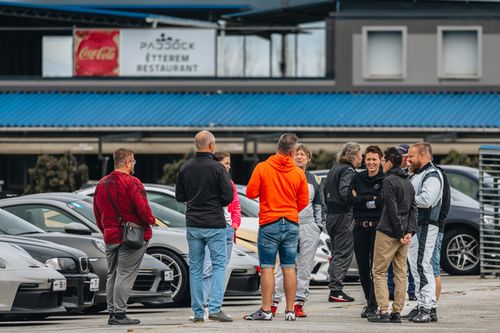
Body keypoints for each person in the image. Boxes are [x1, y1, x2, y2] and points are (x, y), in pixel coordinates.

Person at [244, 133, 309, 321]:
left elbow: (250, 192)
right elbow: (303, 201)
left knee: (267, 268)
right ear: (292, 152)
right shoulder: (298, 172)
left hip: (269, 222)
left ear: (277, 147)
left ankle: (266, 310)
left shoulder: (263, 168)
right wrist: (289, 210)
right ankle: (290, 311)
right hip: (290, 223)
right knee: (289, 267)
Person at [175, 130, 234, 323]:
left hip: (193, 224)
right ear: (211, 145)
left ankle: (198, 312)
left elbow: (180, 196)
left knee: (196, 268)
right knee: (218, 266)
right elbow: (228, 197)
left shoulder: (185, 168)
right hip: (215, 224)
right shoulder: (218, 168)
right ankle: (215, 308)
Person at [94, 148, 155, 326]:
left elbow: (97, 213)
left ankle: (112, 312)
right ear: (128, 162)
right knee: (125, 274)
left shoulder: (101, 184)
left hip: (110, 236)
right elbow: (143, 209)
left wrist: (105, 230)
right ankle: (120, 313)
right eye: (133, 161)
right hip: (131, 237)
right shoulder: (132, 182)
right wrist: (151, 221)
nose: (134, 164)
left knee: (112, 273)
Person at [272, 144, 324, 318]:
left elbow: (319, 204)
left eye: (303, 154)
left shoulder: (314, 180)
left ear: (308, 158)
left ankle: (298, 303)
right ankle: (274, 302)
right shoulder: (282, 176)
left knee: (304, 267)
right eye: (296, 154)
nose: (299, 157)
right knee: (284, 266)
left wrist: (318, 226)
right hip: (287, 223)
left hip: (309, 226)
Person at [368, 147, 417, 323]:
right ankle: (397, 311)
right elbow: (414, 209)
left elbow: (391, 208)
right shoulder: (408, 182)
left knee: (379, 271)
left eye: (383, 161)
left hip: (389, 232)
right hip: (404, 235)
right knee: (400, 273)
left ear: (389, 161)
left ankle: (383, 310)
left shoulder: (389, 181)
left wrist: (398, 232)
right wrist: (409, 231)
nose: (381, 164)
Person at [404, 142, 444, 323]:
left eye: (411, 156)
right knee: (415, 265)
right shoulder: (417, 174)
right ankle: (423, 305)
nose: (408, 159)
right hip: (416, 226)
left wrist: (405, 200)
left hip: (427, 225)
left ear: (423, 156)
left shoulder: (432, 174)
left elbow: (427, 200)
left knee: (422, 264)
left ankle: (428, 308)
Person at [198, 152, 241, 319]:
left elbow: (236, 205)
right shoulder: (210, 182)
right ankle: (203, 306)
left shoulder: (230, 183)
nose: (229, 167)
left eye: (230, 164)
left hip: (228, 229)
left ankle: (216, 305)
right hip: (214, 228)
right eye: (226, 163)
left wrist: (234, 225)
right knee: (207, 268)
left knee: (221, 270)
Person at [347, 145, 385, 318]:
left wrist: (361, 199)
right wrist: (372, 199)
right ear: (364, 159)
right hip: (360, 227)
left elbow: (383, 202)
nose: (371, 162)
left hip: (378, 228)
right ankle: (370, 302)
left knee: (374, 268)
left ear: (380, 160)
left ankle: (374, 303)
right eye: (368, 159)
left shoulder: (385, 179)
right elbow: (349, 199)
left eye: (374, 159)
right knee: (362, 267)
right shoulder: (358, 177)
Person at [323, 141, 362, 302]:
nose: (361, 158)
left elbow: (325, 190)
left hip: (331, 216)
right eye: (360, 155)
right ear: (353, 156)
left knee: (336, 253)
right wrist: (359, 200)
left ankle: (334, 287)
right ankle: (336, 290)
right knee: (343, 253)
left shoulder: (334, 168)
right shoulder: (348, 170)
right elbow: (346, 192)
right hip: (344, 215)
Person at [387, 143, 416, 301]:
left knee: (409, 259)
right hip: (393, 223)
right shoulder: (390, 176)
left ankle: (412, 290)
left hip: (407, 223)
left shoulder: (412, 174)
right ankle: (392, 291)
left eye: (402, 156)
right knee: (393, 260)